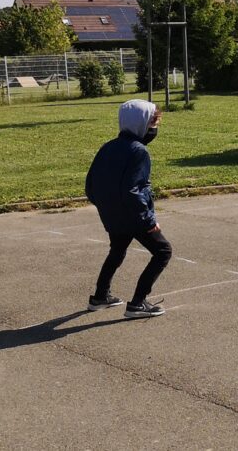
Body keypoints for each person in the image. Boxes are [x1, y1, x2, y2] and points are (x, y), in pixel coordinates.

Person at [85, 99, 171, 318]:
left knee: (117, 249)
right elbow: (133, 191)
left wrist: (107, 207)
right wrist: (149, 221)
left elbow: (90, 186)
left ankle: (100, 297)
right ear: (140, 124)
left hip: (113, 215)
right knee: (163, 251)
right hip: (133, 215)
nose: (154, 129)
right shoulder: (139, 151)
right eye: (153, 124)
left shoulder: (107, 147)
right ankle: (137, 303)